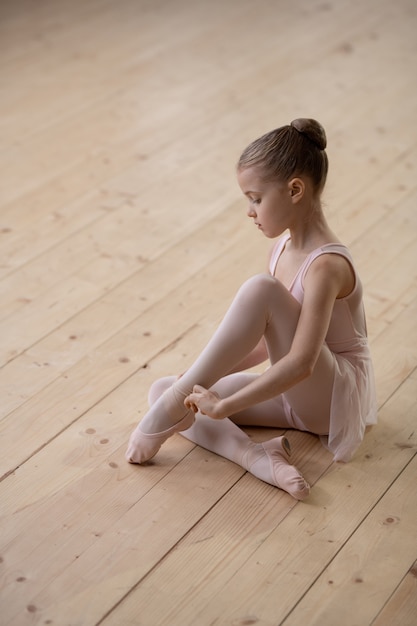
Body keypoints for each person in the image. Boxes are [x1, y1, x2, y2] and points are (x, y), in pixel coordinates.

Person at [125, 118, 377, 500]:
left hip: (332, 399)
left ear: (294, 190)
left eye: (256, 198)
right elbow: (266, 344)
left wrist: (225, 404)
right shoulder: (280, 249)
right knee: (166, 388)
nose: (250, 210)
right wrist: (202, 380)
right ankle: (258, 458)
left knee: (259, 290)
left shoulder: (326, 265)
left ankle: (175, 404)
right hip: (296, 392)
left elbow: (303, 362)